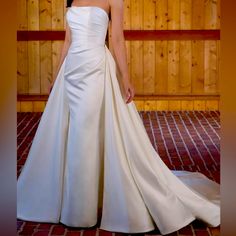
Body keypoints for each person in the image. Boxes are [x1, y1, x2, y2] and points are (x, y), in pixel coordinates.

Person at [17, 0, 220, 235]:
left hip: (95, 70)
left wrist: (125, 77)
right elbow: (68, 41)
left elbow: (116, 39)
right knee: (70, 135)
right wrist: (56, 76)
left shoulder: (114, 0)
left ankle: (80, 212)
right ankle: (73, 203)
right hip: (71, 73)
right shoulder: (71, 0)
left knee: (85, 134)